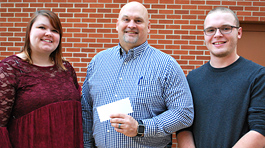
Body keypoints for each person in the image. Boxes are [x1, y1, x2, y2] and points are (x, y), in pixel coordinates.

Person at [81, 1, 194, 148]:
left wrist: (140, 128)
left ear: (149, 27)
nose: (131, 25)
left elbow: (183, 113)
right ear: (117, 24)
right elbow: (86, 110)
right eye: (126, 19)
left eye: (138, 21)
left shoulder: (167, 65)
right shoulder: (97, 62)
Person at [176, 7, 265, 148]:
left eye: (226, 28)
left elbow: (260, 130)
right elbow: (184, 127)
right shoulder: (193, 78)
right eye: (211, 30)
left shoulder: (258, 76)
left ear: (239, 32)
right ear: (205, 35)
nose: (217, 35)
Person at [0, 10, 83, 148]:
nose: (49, 33)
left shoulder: (66, 69)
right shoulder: (10, 69)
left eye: (55, 30)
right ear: (29, 32)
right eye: (42, 27)